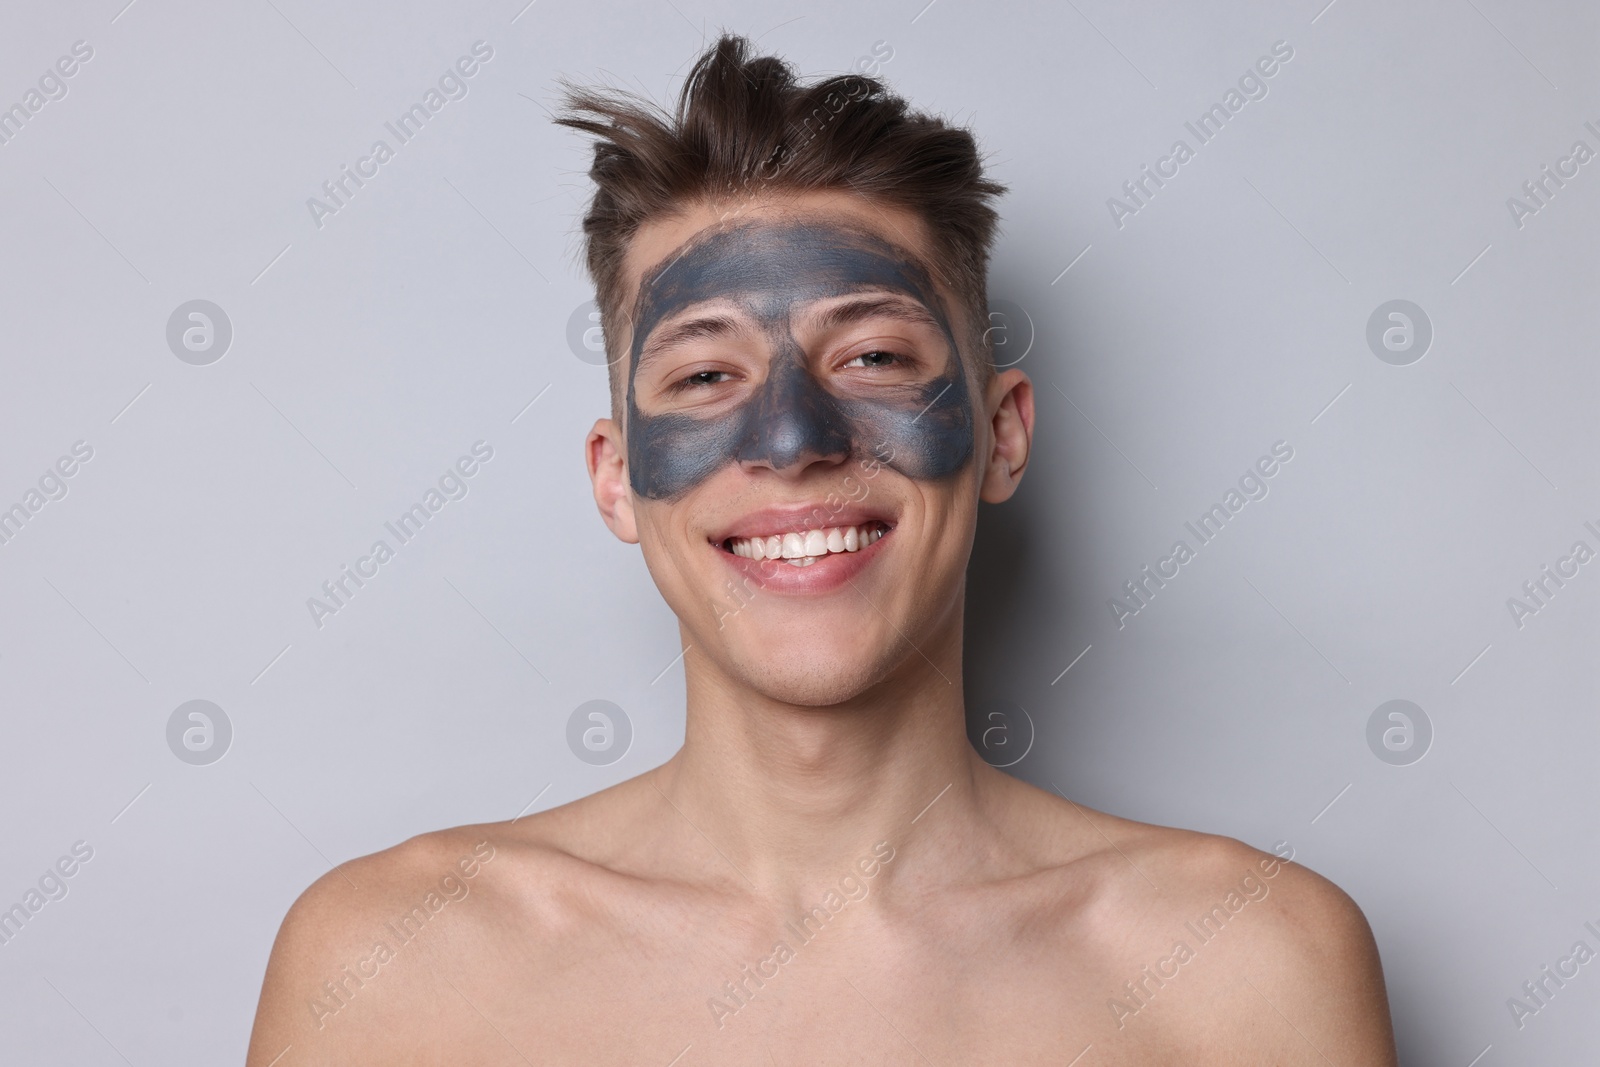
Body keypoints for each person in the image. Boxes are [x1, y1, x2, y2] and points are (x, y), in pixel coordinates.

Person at [247, 34, 1398, 1065]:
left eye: (875, 359)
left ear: (1000, 436)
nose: (793, 441)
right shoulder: (391, 970)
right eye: (705, 375)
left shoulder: (1247, 965)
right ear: (615, 478)